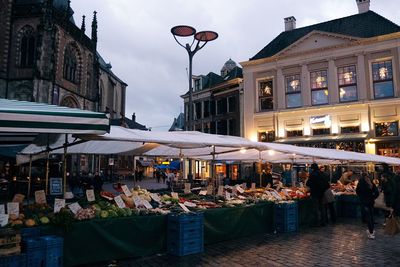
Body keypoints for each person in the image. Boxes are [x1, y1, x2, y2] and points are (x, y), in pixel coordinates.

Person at [356, 172, 379, 239]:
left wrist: (361, 197)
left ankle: (371, 232)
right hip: (371, 201)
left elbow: (357, 191)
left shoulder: (361, 182)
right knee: (371, 215)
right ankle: (372, 230)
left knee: (368, 217)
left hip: (364, 201)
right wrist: (373, 197)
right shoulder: (371, 182)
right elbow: (377, 192)